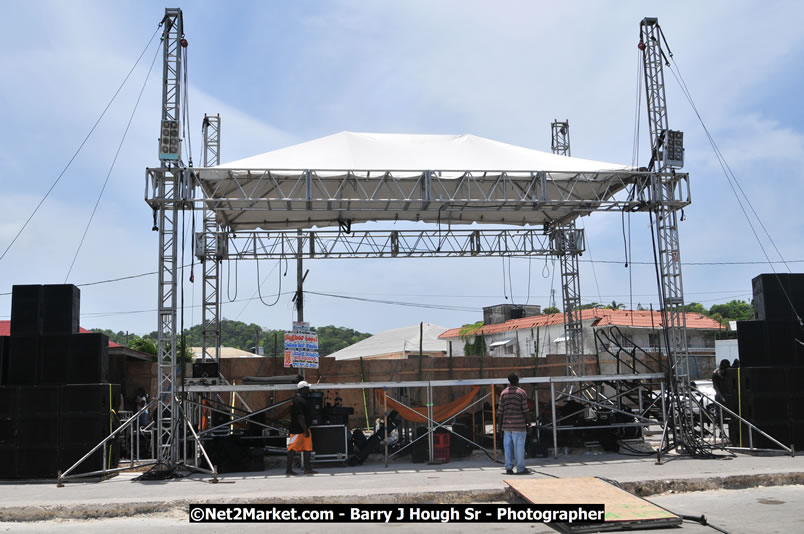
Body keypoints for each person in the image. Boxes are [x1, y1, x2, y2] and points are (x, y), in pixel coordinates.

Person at [497, 373, 531, 475]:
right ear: (517, 380)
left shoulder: (503, 393)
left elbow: (500, 412)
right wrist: (529, 424)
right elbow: (525, 410)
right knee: (519, 447)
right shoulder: (521, 393)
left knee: (507, 447)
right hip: (519, 426)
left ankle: (508, 468)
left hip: (507, 426)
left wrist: (499, 427)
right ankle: (520, 468)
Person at [286, 380, 318, 476]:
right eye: (307, 388)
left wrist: (306, 429)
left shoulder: (303, 399)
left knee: (307, 449)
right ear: (303, 389)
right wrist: (305, 429)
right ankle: (288, 470)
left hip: (305, 429)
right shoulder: (298, 401)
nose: (309, 390)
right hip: (297, 430)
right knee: (292, 449)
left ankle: (307, 469)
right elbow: (300, 416)